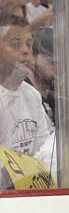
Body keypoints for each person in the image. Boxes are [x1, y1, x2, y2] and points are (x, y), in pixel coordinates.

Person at [0, 15, 51, 157]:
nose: (26, 51)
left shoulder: (32, 94)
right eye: (15, 44)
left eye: (29, 44)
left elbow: (44, 151)